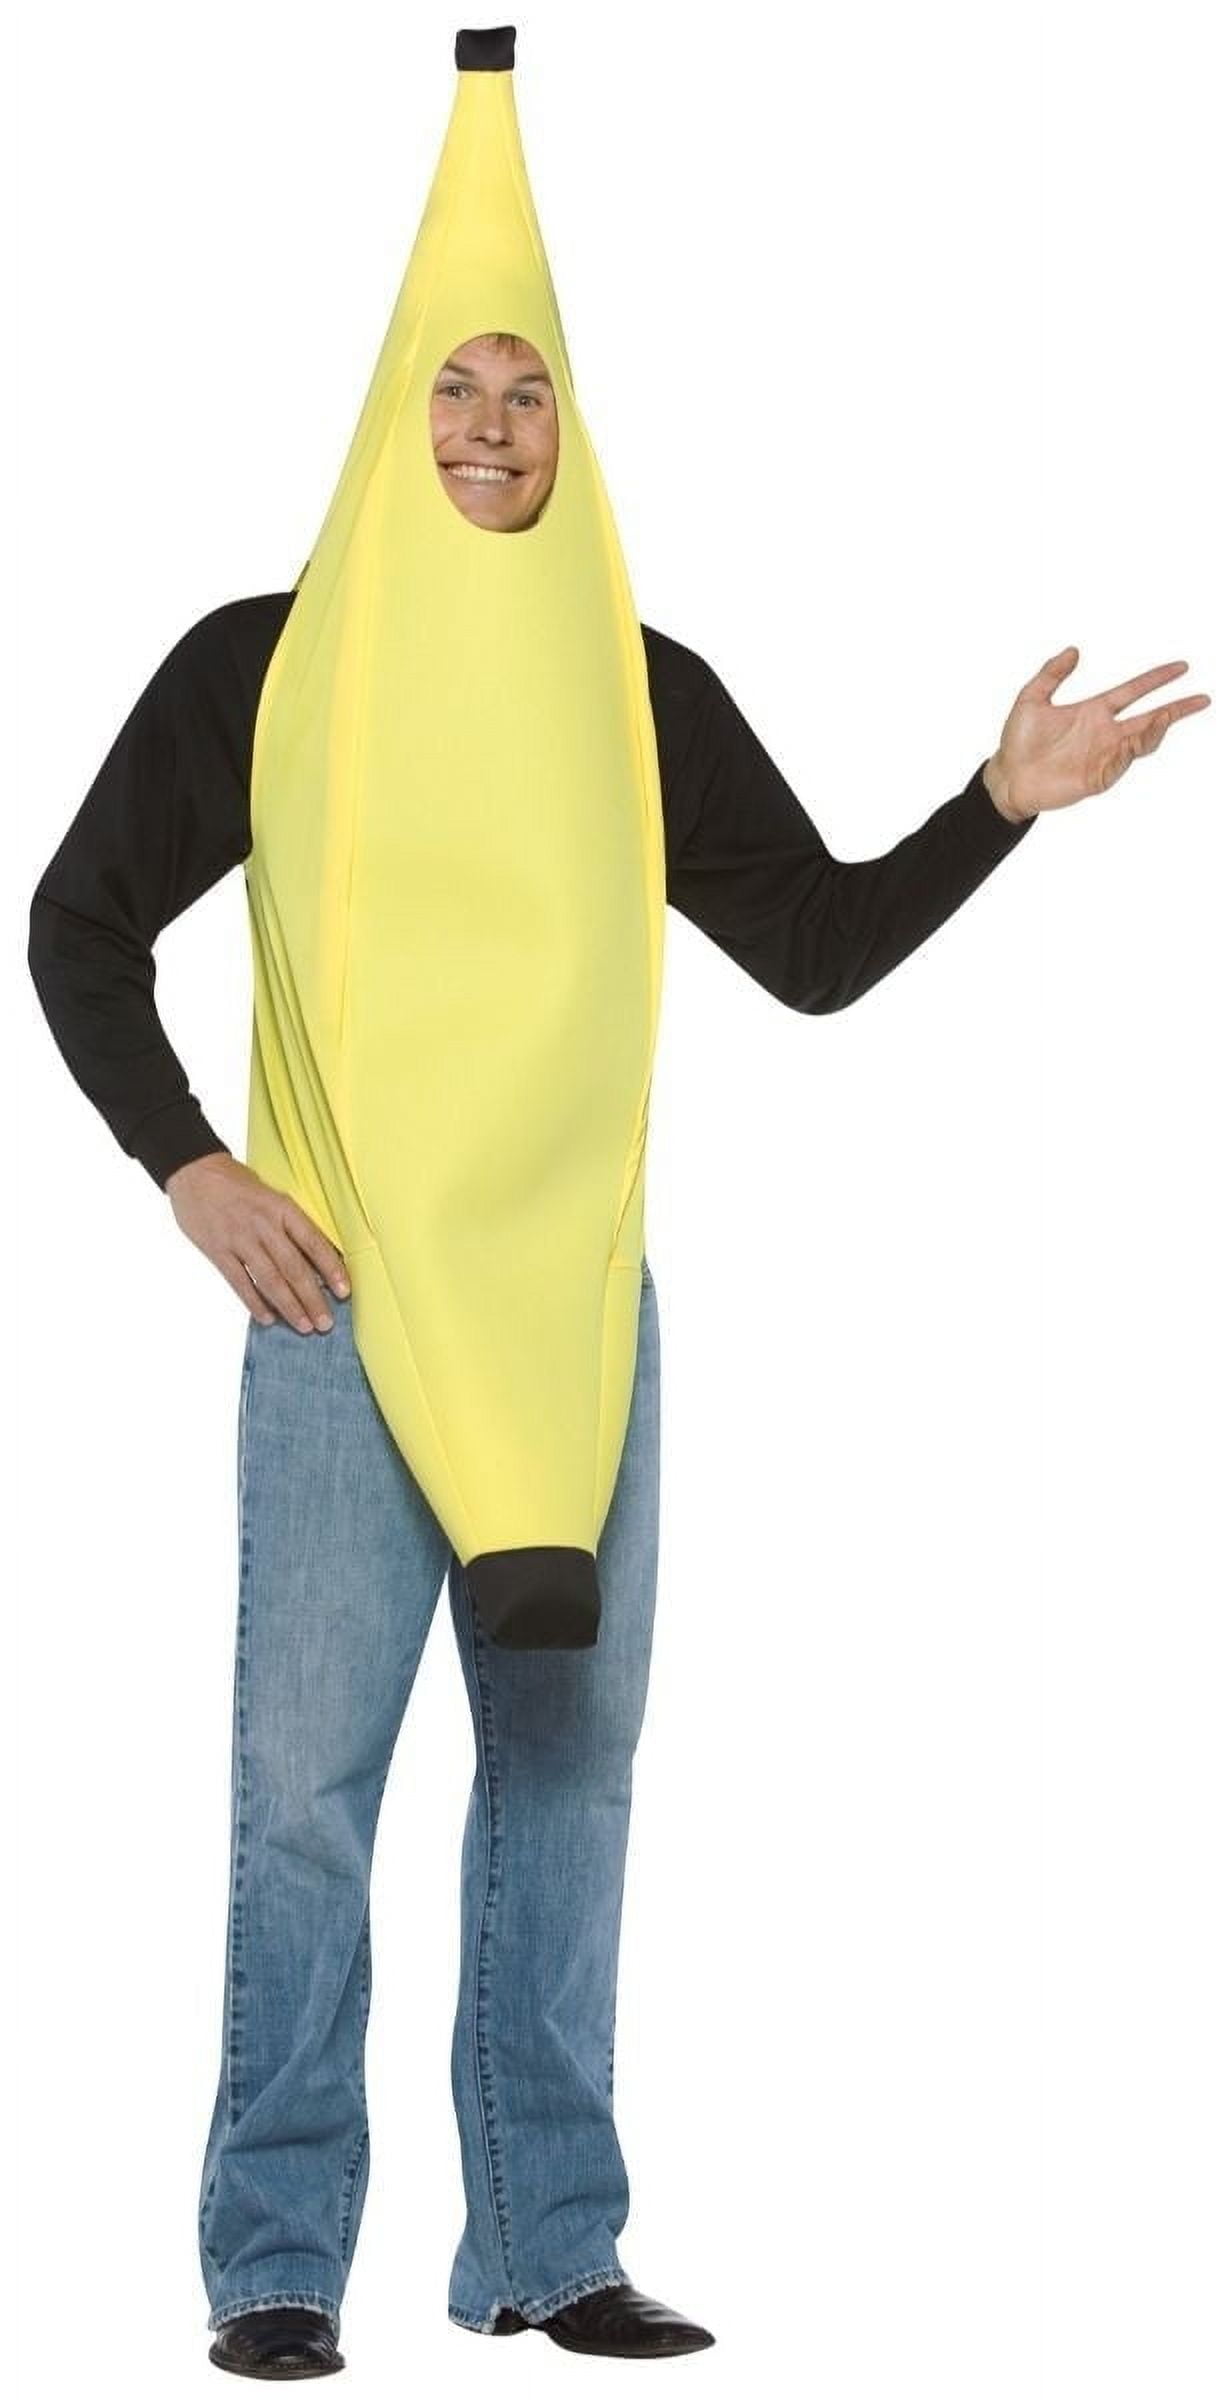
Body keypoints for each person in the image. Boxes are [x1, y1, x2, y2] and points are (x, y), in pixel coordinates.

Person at [26, 45, 1212, 2390]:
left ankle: (549, 2242)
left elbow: (818, 950)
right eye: (454, 387)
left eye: (528, 393)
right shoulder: (271, 665)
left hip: (570, 1316)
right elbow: (77, 927)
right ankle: (274, 2259)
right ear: (396, 408)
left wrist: (995, 803)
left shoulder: (630, 686)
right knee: (303, 1798)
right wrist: (191, 1169)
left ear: (571, 431)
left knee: (567, 1776)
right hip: (338, 1302)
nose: (489, 426)